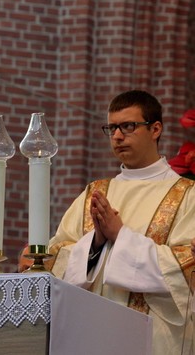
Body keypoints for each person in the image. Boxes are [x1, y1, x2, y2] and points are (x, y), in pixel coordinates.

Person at [48, 90, 195, 354]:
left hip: (152, 340)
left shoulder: (186, 195)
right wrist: (95, 242)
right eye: (112, 128)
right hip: (89, 335)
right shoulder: (94, 193)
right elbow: (56, 257)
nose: (117, 136)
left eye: (128, 126)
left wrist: (120, 236)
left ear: (155, 129)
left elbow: (187, 266)